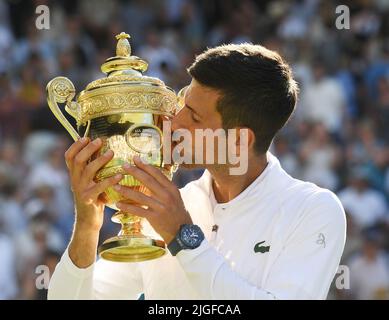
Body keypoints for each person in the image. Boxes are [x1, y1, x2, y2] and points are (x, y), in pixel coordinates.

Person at [48, 43, 346, 300]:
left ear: (240, 141)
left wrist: (182, 237)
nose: (174, 124)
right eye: (182, 105)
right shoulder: (168, 209)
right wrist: (87, 225)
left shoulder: (314, 210)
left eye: (194, 117)